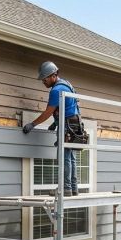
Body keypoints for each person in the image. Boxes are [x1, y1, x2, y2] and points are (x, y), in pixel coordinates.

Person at [22, 61, 82, 197]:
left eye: (45, 79)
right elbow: (68, 107)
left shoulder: (56, 90)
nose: (43, 81)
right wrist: (56, 123)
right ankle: (73, 188)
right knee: (71, 157)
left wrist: (32, 124)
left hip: (67, 126)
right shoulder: (67, 85)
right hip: (74, 123)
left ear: (53, 75)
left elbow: (48, 112)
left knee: (64, 157)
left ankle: (64, 189)